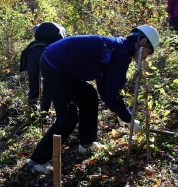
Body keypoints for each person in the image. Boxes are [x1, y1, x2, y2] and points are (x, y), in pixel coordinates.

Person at [26, 25, 160, 173]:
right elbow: (112, 95)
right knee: (68, 118)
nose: (147, 57)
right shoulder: (121, 53)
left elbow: (105, 90)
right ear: (142, 42)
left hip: (61, 64)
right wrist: (128, 118)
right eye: (149, 52)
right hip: (55, 64)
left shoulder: (120, 49)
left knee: (89, 96)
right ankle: (37, 161)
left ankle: (86, 144)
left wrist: (121, 112)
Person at [19, 22, 66, 115]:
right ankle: (43, 115)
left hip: (32, 51)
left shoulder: (39, 30)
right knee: (48, 86)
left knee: (33, 86)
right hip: (49, 53)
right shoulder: (60, 31)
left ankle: (31, 115)